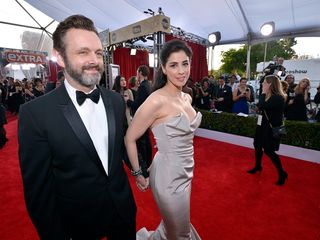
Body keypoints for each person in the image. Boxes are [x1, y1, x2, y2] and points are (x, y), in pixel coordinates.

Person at [18, 15, 136, 240]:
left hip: (122, 212)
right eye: (83, 52)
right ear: (60, 58)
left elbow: (117, 152)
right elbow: (39, 194)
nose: (94, 60)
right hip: (77, 224)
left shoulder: (115, 100)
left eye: (98, 52)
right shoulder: (35, 114)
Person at [125, 39, 202, 239]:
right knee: (179, 233)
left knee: (174, 229)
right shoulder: (156, 100)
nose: (181, 71)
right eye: (173, 65)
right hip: (168, 178)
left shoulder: (187, 97)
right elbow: (129, 138)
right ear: (163, 69)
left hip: (186, 171)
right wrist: (138, 173)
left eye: (185, 63)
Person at [247, 75, 288, 186]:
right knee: (257, 144)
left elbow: (261, 105)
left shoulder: (278, 97)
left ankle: (282, 173)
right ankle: (258, 166)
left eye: (264, 82)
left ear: (270, 84)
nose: (262, 84)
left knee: (269, 151)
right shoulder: (268, 96)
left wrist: (263, 93)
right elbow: (261, 107)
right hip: (262, 125)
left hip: (270, 128)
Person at [126, 65, 152, 177]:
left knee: (142, 143)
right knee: (146, 141)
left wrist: (128, 102)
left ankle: (145, 169)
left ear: (140, 72)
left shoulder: (143, 86)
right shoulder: (149, 85)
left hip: (142, 118)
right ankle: (149, 165)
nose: (137, 74)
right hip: (148, 117)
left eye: (137, 72)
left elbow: (137, 104)